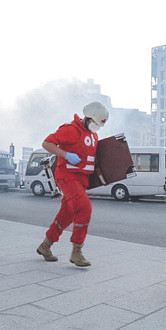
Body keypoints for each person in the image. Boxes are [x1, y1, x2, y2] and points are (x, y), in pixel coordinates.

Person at [36, 101, 109, 267]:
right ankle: (77, 251)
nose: (97, 128)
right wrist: (65, 154)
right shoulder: (70, 129)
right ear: (87, 118)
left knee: (66, 214)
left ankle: (45, 246)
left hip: (82, 180)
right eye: (95, 124)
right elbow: (46, 143)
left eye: (99, 125)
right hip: (67, 176)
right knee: (84, 208)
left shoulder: (93, 136)